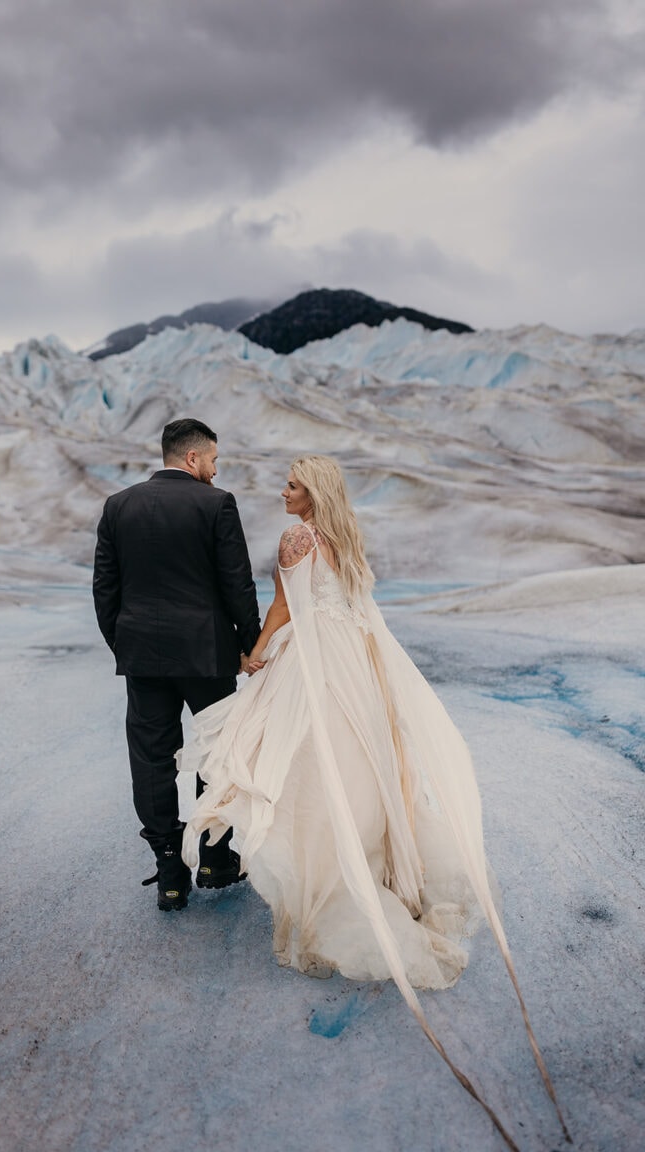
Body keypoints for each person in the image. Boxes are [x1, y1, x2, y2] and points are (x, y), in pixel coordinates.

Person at [181, 455, 570, 1151]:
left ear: (313, 493)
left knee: (304, 768)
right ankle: (377, 866)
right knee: (361, 766)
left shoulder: (296, 538)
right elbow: (352, 604)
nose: (283, 493)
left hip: (313, 661)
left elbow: (283, 604)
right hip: (355, 658)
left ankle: (330, 880)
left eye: (293, 485)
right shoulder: (344, 535)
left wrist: (257, 652)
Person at [93, 418, 260, 912]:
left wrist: (124, 643)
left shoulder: (117, 506)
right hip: (208, 655)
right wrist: (249, 645)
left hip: (142, 656)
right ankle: (213, 856)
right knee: (219, 753)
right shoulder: (217, 503)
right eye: (212, 459)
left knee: (151, 759)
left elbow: (106, 588)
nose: (214, 469)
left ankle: (170, 868)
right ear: (192, 458)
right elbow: (238, 584)